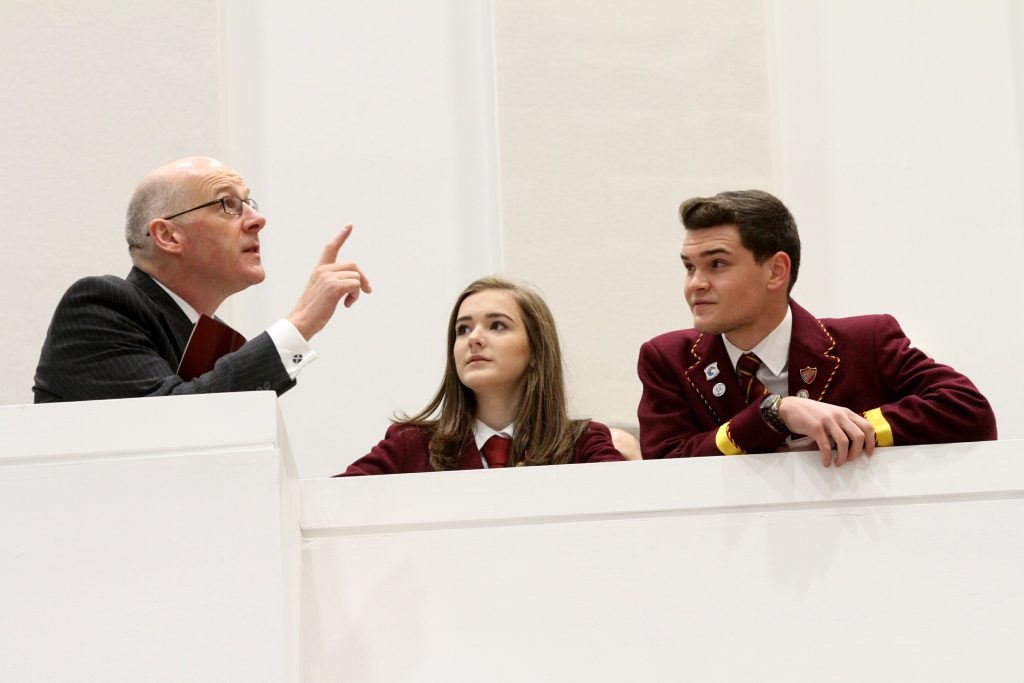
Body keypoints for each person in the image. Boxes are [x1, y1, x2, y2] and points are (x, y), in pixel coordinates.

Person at [637, 190, 997, 467]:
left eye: (717, 264)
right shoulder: (668, 358)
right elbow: (666, 465)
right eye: (688, 267)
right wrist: (775, 414)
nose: (695, 284)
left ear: (776, 271)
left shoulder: (866, 340)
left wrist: (851, 429)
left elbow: (969, 412)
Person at [33, 156, 371, 402]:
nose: (257, 219)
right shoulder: (100, 306)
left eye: (249, 202)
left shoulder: (208, 333)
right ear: (167, 235)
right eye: (228, 204)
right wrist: (300, 324)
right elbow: (179, 425)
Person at [342, 276, 625, 474]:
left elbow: (631, 522)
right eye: (463, 329)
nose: (474, 338)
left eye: (497, 326)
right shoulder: (411, 446)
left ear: (537, 351)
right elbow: (326, 510)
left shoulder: (582, 444)